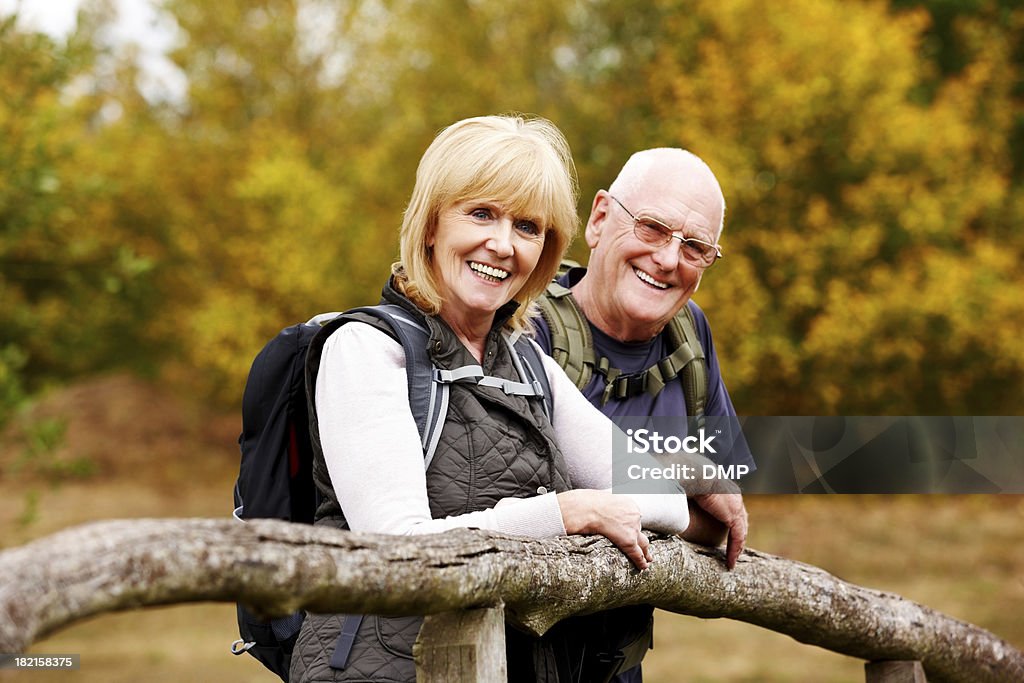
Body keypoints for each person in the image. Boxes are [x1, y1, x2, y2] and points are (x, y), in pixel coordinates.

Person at [289, 117, 693, 683]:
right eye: (481, 214)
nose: (502, 245)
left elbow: (667, 499)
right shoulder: (367, 351)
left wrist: (603, 509)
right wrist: (567, 513)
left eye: (527, 226)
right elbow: (397, 546)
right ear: (430, 224)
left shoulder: (530, 366)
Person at [533, 148, 754, 683]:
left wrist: (652, 495)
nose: (669, 259)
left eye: (696, 247)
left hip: (617, 668)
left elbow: (724, 518)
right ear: (601, 219)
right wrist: (678, 473)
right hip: (516, 661)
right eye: (653, 228)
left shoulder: (689, 337)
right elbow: (525, 504)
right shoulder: (524, 325)